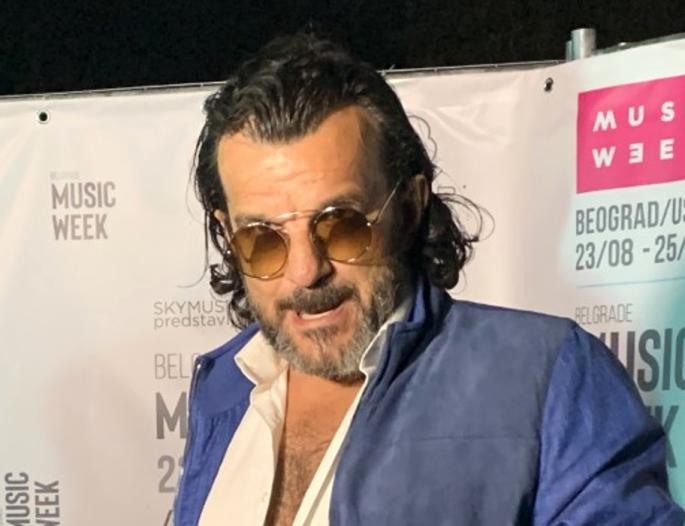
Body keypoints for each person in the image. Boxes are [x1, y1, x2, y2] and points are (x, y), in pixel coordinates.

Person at [174, 33, 684, 526]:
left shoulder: (549, 377)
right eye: (262, 239)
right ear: (228, 234)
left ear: (410, 206)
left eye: (342, 226)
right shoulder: (226, 387)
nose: (306, 272)